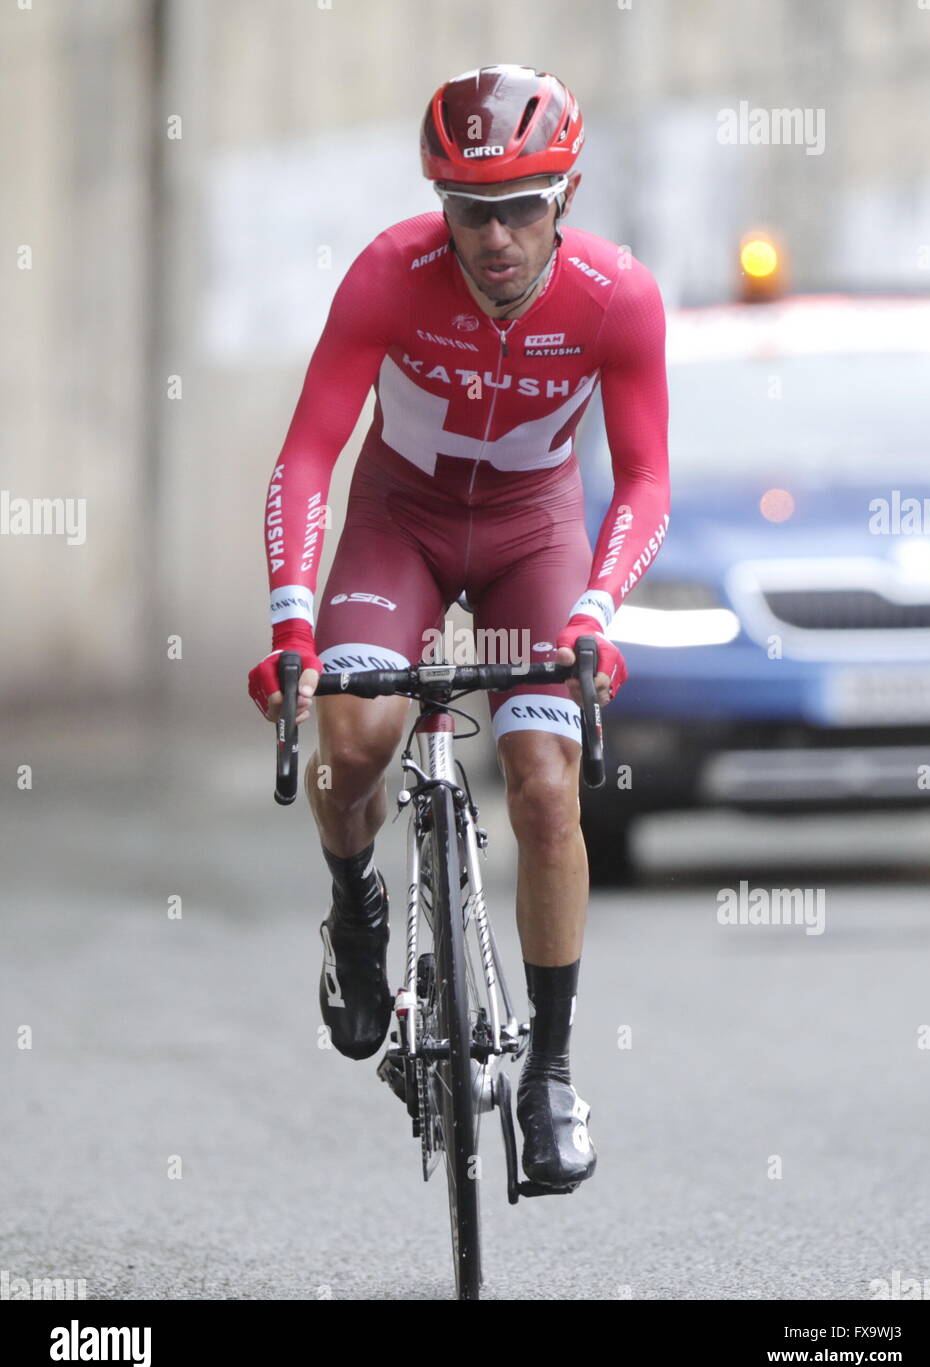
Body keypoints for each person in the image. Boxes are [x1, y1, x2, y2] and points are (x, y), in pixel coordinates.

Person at [248, 64, 670, 1190]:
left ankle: (553, 1068)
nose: (496, 236)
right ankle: (354, 909)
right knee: (353, 740)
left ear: (564, 195)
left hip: (536, 536)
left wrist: (596, 608)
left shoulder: (617, 296)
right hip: (405, 524)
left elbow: (644, 479)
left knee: (542, 782)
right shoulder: (389, 275)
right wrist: (293, 620)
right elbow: (308, 451)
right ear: (440, 203)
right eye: (470, 208)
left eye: (523, 205)